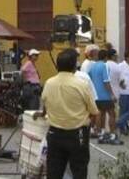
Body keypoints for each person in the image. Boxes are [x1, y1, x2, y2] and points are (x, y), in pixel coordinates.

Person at [34, 48, 98, 179]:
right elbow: (94, 111)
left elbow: (45, 107)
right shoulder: (81, 84)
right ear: (74, 66)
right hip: (77, 134)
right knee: (79, 171)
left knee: (54, 171)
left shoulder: (49, 83)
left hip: (54, 134)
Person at [89, 48, 119, 144]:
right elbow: (106, 81)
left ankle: (101, 133)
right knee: (112, 114)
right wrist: (112, 94)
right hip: (105, 95)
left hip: (96, 95)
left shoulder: (93, 66)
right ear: (106, 57)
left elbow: (89, 78)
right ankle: (113, 134)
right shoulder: (104, 66)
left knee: (100, 114)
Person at [116, 52, 129, 135]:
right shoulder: (120, 66)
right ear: (126, 57)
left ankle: (118, 122)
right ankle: (122, 129)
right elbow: (116, 77)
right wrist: (120, 84)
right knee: (123, 111)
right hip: (123, 92)